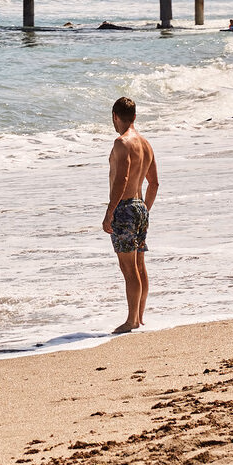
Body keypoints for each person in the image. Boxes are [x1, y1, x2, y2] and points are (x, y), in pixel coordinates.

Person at [103, 96, 158, 333]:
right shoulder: (146, 144)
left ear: (116, 117)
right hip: (140, 207)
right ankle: (140, 316)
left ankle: (131, 320)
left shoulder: (121, 143)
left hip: (124, 208)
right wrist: (144, 208)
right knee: (139, 265)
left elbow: (121, 179)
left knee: (128, 268)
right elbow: (154, 183)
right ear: (134, 116)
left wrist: (110, 211)